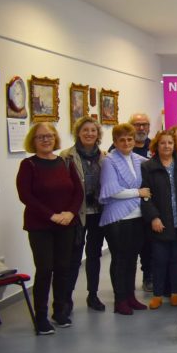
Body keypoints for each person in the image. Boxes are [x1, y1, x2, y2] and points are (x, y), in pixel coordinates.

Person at [16, 122, 83, 334]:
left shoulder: (66, 162)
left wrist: (70, 213)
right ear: (33, 141)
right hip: (40, 226)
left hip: (66, 223)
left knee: (63, 268)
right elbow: (26, 196)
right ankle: (41, 316)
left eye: (50, 136)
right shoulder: (29, 165)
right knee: (45, 270)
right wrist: (51, 215)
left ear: (55, 139)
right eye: (41, 137)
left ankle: (60, 311)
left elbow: (78, 192)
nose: (46, 140)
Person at [99, 123, 151, 315]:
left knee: (132, 260)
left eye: (130, 139)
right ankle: (120, 300)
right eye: (122, 140)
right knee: (120, 260)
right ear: (115, 142)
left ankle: (131, 296)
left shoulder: (138, 159)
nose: (127, 142)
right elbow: (112, 190)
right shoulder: (109, 161)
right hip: (118, 219)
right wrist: (138, 192)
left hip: (137, 217)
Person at [140, 131, 177, 309]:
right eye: (163, 143)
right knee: (159, 260)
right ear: (157, 145)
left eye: (170, 143)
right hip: (159, 222)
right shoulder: (148, 167)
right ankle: (158, 294)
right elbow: (145, 196)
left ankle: (176, 293)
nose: (167, 146)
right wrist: (153, 217)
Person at [60, 116, 107, 312]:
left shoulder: (105, 156)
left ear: (98, 134)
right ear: (78, 133)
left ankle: (93, 295)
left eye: (93, 130)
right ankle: (66, 299)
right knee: (74, 256)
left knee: (94, 255)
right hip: (77, 214)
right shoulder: (66, 156)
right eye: (85, 130)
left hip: (98, 212)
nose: (89, 133)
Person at [108, 112, 153, 290]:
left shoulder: (153, 147)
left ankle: (145, 280)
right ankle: (122, 294)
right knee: (123, 257)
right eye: (137, 124)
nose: (141, 128)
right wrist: (139, 192)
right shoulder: (113, 154)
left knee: (145, 248)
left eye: (144, 124)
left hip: (143, 210)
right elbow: (112, 188)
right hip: (122, 214)